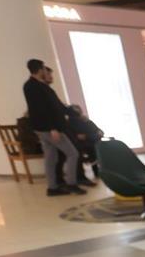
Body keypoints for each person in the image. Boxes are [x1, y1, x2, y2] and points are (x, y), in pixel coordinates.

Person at [22, 58, 86, 196]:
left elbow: (57, 106)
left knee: (51, 158)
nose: (46, 72)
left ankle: (52, 188)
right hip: (48, 129)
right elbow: (41, 109)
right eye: (44, 69)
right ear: (39, 70)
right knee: (72, 153)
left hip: (46, 128)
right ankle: (72, 184)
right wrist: (53, 128)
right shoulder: (32, 87)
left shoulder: (41, 86)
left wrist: (74, 113)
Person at [66, 103, 103, 181]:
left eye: (78, 110)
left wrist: (88, 136)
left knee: (95, 145)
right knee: (91, 148)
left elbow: (100, 132)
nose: (78, 112)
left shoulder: (87, 121)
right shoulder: (70, 123)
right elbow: (78, 137)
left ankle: (98, 169)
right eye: (75, 111)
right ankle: (94, 169)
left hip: (92, 140)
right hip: (82, 144)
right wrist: (92, 135)